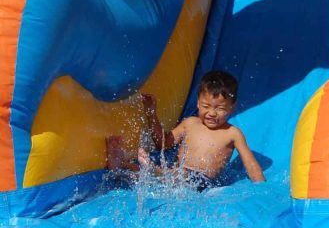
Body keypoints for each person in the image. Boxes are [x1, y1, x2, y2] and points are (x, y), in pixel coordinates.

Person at [106, 70, 265, 188]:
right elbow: (163, 144)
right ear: (197, 103)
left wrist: (261, 187)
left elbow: (249, 163)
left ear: (232, 107)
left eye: (220, 108)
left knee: (171, 175)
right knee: (153, 175)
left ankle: (152, 170)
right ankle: (121, 167)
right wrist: (151, 114)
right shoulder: (190, 123)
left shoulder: (232, 133)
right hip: (177, 175)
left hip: (202, 182)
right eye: (206, 106)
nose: (211, 113)